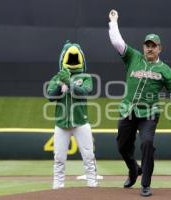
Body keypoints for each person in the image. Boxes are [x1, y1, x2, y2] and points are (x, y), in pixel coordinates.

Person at [108, 9, 171, 197]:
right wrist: (114, 21)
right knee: (122, 146)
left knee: (147, 143)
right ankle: (134, 169)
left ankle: (145, 184)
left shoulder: (164, 69)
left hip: (149, 113)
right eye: (147, 45)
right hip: (128, 110)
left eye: (154, 46)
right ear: (143, 47)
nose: (150, 48)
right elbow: (117, 42)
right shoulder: (133, 57)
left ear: (160, 48)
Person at [46, 41, 98, 189]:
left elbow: (85, 92)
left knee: (88, 155)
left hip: (81, 122)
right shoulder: (57, 77)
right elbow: (50, 96)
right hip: (62, 123)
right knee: (59, 157)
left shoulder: (86, 76)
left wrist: (70, 83)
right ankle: (58, 186)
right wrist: (59, 84)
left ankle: (93, 184)